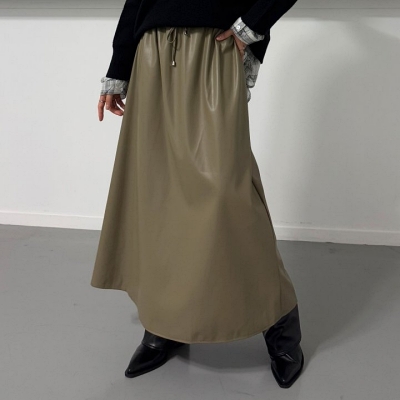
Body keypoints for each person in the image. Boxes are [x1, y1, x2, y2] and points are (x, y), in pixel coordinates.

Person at [91, 0, 304, 389]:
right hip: (152, 51)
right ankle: (165, 322)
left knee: (228, 195)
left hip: (212, 48)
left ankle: (279, 322)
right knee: (157, 195)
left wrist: (250, 26)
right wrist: (119, 68)